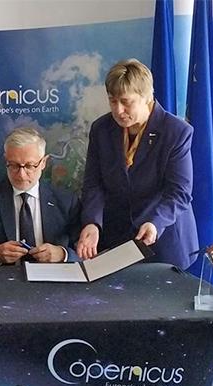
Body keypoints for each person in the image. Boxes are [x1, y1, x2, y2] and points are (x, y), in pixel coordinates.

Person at [76, 58, 198, 269]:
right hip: (116, 239)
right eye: (112, 101)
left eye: (126, 102)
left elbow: (179, 192)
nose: (118, 110)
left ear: (147, 97)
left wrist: (155, 222)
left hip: (163, 237)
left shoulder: (176, 132)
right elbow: (93, 184)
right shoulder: (101, 129)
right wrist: (92, 223)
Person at [0, 127, 80, 265]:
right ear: (6, 160)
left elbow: (85, 253)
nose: (21, 175)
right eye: (14, 165)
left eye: (29, 166)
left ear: (43, 163)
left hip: (53, 276)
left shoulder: (66, 201)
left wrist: (62, 254)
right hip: (3, 276)